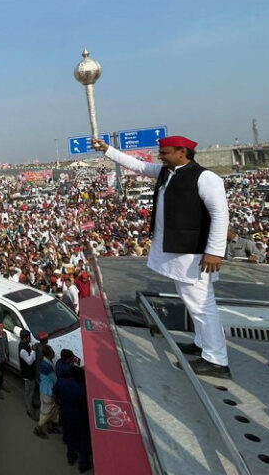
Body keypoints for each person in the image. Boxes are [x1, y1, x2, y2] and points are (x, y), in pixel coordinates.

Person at [94, 135, 231, 378]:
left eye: (165, 152)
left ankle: (216, 360)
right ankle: (202, 344)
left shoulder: (205, 177)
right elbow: (137, 165)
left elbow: (220, 214)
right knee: (191, 301)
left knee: (201, 305)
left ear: (182, 152)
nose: (160, 156)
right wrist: (108, 150)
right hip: (180, 253)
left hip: (195, 253)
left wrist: (214, 251)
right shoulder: (168, 172)